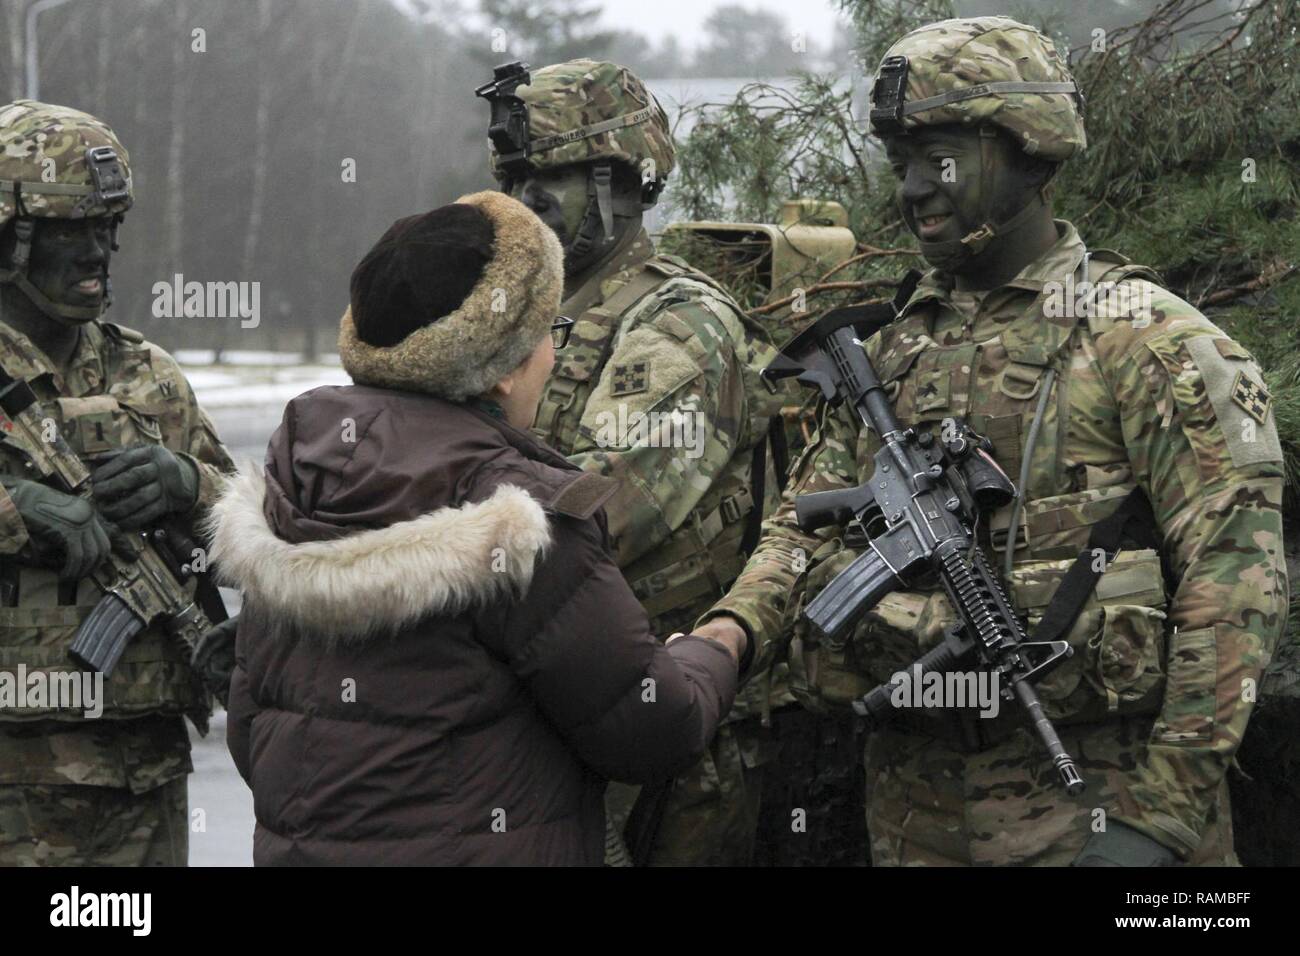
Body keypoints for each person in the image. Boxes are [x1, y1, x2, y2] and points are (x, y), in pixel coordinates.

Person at [696, 16, 1287, 866]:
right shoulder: (886, 349)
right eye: (901, 165)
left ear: (1029, 149)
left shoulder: (1143, 339)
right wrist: (727, 637)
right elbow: (797, 530)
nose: (912, 190)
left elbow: (1234, 581)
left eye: (939, 160)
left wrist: (1164, 810)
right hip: (913, 817)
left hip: (1102, 809)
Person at [213, 191, 746, 866]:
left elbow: (255, 735)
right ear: (501, 370)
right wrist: (719, 647)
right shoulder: (523, 527)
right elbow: (651, 730)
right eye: (546, 333)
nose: (553, 356)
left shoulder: (297, 487)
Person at [480, 57, 791, 867]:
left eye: (550, 180)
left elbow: (597, 514)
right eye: (515, 179)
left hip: (662, 739)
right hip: (555, 713)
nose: (524, 204)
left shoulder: (678, 323)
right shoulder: (524, 324)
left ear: (621, 182)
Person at [0, 100, 234, 865]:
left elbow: (257, 539)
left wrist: (189, 485)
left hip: (144, 775)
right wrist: (18, 509)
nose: (96, 252)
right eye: (71, 229)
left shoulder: (148, 373)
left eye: (107, 227)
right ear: (11, 233)